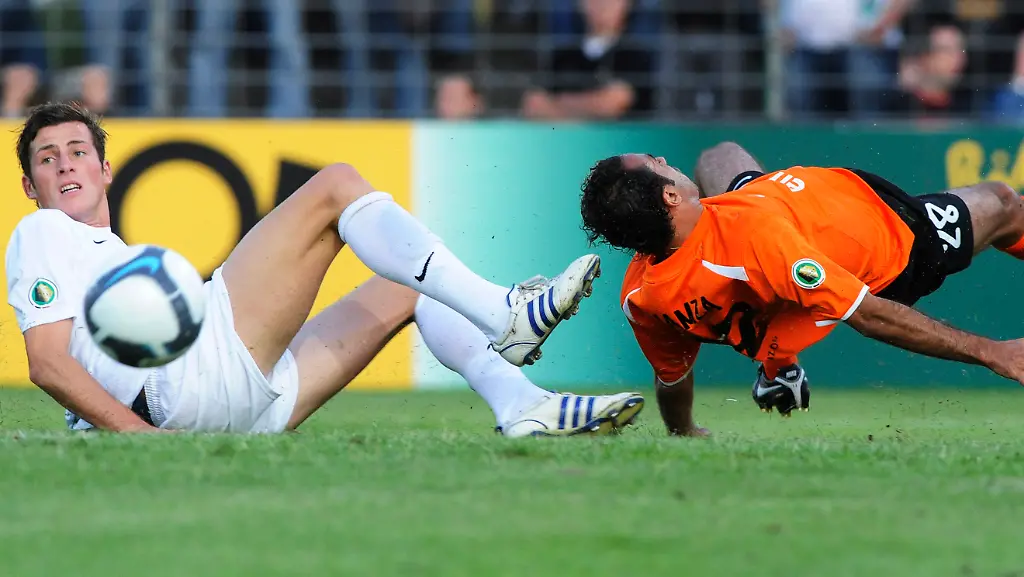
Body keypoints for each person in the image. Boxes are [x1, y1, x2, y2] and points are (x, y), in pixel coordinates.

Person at [5, 101, 644, 436]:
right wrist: (135, 437)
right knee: (337, 185)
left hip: (239, 409)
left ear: (105, 170)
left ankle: (521, 404)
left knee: (404, 286)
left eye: (78, 151)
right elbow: (48, 363)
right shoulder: (42, 230)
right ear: (30, 185)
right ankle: (507, 312)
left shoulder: (107, 255)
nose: (65, 165)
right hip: (183, 388)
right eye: (48, 157)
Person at [578, 141, 1024, 436]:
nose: (663, 160)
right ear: (671, 198)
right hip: (896, 243)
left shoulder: (641, 295)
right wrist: (992, 352)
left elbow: (672, 376)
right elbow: (869, 315)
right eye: (657, 165)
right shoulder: (757, 240)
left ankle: (779, 366)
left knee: (721, 155)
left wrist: (683, 433)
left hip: (781, 221)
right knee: (1003, 202)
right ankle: (779, 363)